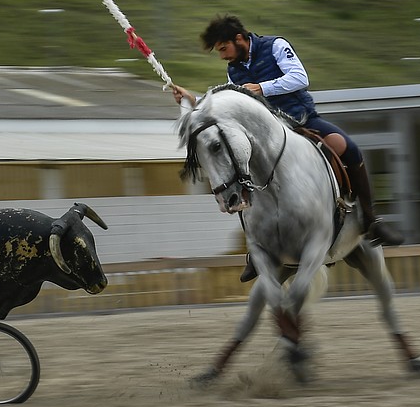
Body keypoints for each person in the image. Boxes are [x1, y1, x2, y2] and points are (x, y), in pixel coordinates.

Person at [171, 14, 404, 282]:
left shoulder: (276, 46)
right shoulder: (233, 68)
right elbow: (231, 103)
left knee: (350, 149)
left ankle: (371, 221)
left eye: (223, 48)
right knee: (241, 174)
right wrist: (193, 98)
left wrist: (262, 88)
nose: (223, 56)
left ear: (238, 39)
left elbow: (299, 77)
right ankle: (255, 249)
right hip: (268, 135)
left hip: (304, 122)